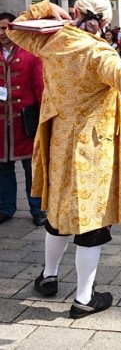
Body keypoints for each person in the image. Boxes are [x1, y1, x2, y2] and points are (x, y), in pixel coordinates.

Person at [7, 0, 121, 319]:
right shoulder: (96, 51)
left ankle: (49, 277)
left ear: (75, 12)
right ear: (105, 22)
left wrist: (45, 7)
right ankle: (83, 298)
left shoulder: (53, 41)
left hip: (58, 142)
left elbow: (14, 28)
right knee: (92, 224)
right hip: (90, 149)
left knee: (60, 214)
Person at [0, 12, 45, 226]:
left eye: (7, 28)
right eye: (0, 29)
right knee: (3, 168)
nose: (3, 33)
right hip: (1, 125)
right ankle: (6, 208)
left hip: (26, 122)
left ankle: (37, 209)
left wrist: (45, 118)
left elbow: (40, 88)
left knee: (32, 169)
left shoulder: (31, 54)